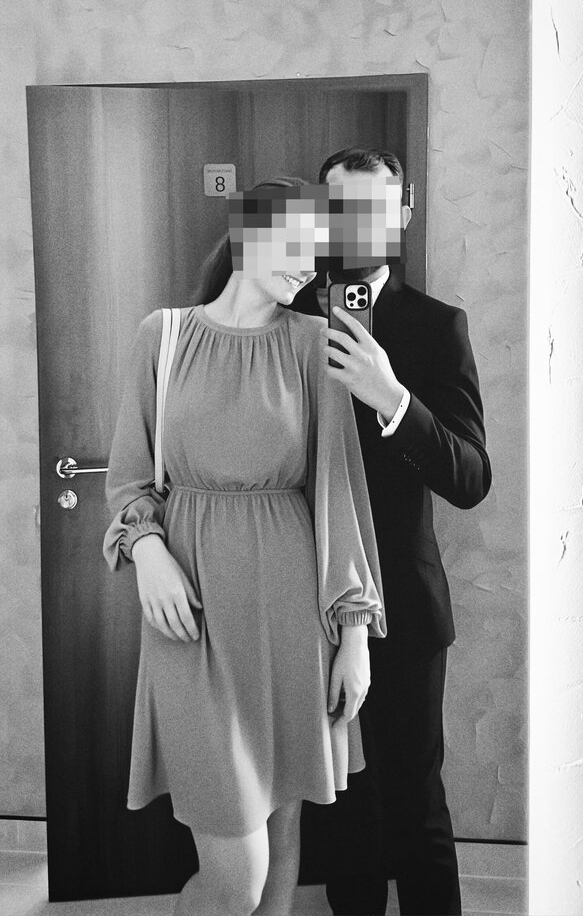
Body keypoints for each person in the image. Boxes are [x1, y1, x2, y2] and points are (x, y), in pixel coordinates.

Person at [102, 177, 385, 916]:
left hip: (293, 617)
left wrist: (354, 634)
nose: (310, 266)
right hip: (191, 621)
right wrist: (147, 550)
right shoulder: (164, 334)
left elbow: (339, 491)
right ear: (251, 233)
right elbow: (128, 478)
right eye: (299, 244)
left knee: (282, 838)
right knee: (238, 879)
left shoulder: (314, 342)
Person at [291, 147, 492, 916]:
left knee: (415, 807)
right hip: (308, 599)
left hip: (404, 609)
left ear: (401, 212)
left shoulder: (437, 326)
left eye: (375, 208)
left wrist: (392, 398)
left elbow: (470, 478)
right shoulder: (286, 313)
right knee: (339, 807)